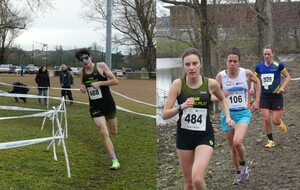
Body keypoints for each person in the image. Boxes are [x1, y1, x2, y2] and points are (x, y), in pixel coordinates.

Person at [162, 47, 235, 190]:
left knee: (197, 179)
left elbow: (222, 99)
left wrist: (227, 117)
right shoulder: (178, 84)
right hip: (184, 137)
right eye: (187, 64)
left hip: (204, 136)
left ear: (200, 64)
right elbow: (164, 114)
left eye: (194, 63)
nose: (191, 68)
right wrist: (181, 107)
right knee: (188, 183)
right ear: (183, 66)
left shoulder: (211, 83)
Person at [214, 47, 261, 185]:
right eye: (230, 61)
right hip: (227, 115)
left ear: (239, 62)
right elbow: (212, 95)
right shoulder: (220, 76)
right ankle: (239, 173)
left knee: (237, 141)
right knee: (233, 148)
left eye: (235, 61)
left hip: (243, 114)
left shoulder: (245, 73)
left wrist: (257, 100)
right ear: (226, 62)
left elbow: (257, 82)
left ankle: (243, 165)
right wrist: (220, 96)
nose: (232, 64)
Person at [75, 48, 120, 170]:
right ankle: (114, 160)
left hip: (108, 104)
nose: (84, 61)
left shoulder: (101, 66)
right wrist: (83, 89)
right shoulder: (81, 72)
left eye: (86, 58)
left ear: (90, 57)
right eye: (81, 60)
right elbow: (83, 84)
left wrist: (100, 83)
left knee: (113, 132)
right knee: (103, 132)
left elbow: (115, 81)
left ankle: (113, 141)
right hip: (95, 106)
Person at [253, 45, 291, 148]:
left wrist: (282, 87)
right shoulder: (259, 67)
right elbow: (254, 78)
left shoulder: (278, 65)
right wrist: (252, 87)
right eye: (265, 54)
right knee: (266, 119)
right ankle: (270, 140)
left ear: (272, 54)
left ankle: (279, 123)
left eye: (268, 54)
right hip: (264, 96)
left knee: (275, 120)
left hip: (276, 96)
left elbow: (287, 76)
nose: (266, 56)